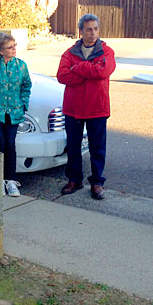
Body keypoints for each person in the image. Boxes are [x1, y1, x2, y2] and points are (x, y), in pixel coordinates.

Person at [56, 13, 116, 200]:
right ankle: (75, 179)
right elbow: (62, 76)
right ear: (81, 31)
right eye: (89, 29)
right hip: (73, 108)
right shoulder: (69, 53)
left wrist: (78, 68)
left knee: (97, 148)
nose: (93, 33)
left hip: (97, 108)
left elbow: (104, 71)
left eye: (96, 28)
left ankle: (97, 182)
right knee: (73, 146)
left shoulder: (107, 52)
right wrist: (90, 69)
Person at [0, 32, 31, 197]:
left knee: (10, 145)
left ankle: (11, 180)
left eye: (14, 45)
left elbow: (27, 85)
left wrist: (24, 102)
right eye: (10, 47)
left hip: (14, 111)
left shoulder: (21, 65)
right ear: (0, 50)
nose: (14, 49)